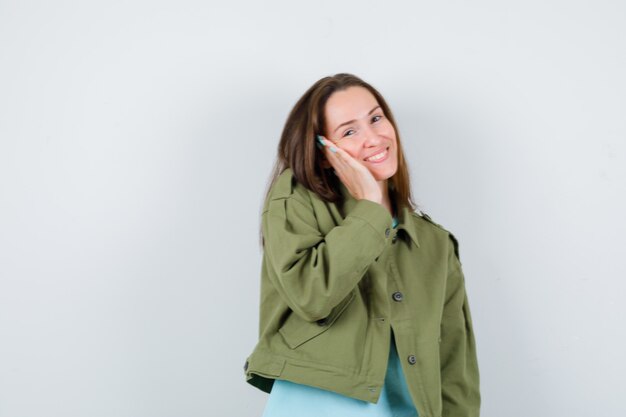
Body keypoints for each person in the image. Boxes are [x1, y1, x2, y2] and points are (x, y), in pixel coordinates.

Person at [243, 73, 480, 417]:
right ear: (325, 152)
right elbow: (311, 295)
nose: (373, 138)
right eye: (349, 131)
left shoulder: (434, 243)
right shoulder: (296, 199)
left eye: (376, 118)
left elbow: (455, 365)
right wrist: (370, 209)